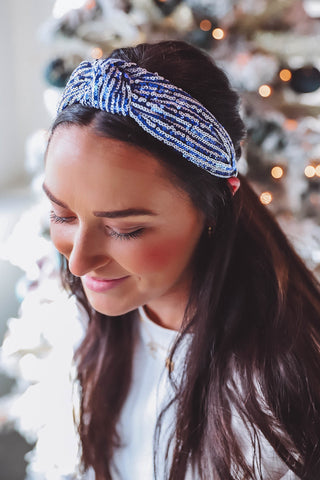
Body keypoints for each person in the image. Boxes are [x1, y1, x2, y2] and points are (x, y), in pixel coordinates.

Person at [43, 40, 320, 480]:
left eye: (124, 229)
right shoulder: (81, 317)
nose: (77, 264)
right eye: (61, 214)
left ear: (212, 209)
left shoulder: (281, 387)